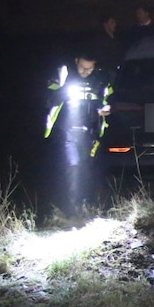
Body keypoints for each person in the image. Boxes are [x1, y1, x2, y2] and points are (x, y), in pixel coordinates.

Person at [44, 49, 111, 221]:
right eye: (82, 68)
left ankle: (87, 206)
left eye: (89, 69)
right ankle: (70, 209)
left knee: (87, 169)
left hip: (90, 133)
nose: (85, 72)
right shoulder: (64, 76)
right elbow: (49, 96)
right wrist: (62, 90)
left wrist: (105, 109)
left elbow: (106, 99)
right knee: (72, 166)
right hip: (67, 132)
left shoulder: (99, 80)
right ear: (76, 61)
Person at [86, 13, 124, 81]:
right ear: (105, 24)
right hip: (106, 71)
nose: (114, 24)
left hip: (116, 70)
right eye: (112, 22)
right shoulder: (100, 39)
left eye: (114, 22)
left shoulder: (117, 38)